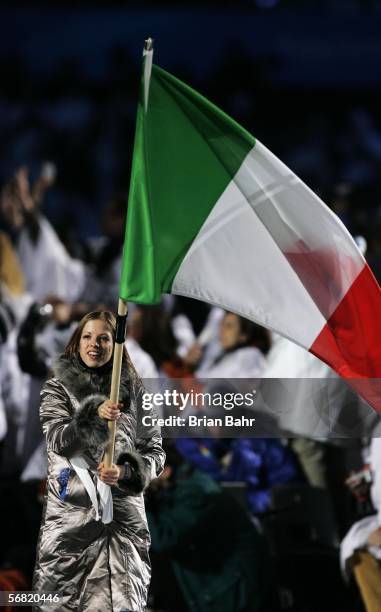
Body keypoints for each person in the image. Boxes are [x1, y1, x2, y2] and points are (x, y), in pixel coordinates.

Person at [33, 310, 165, 612]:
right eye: (87, 337)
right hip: (71, 520)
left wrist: (125, 471)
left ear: (115, 345)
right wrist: (94, 415)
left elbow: (155, 452)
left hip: (122, 523)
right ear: (77, 342)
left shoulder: (136, 392)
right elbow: (59, 440)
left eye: (104, 338)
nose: (95, 344)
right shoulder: (57, 389)